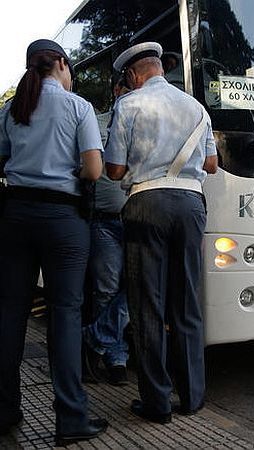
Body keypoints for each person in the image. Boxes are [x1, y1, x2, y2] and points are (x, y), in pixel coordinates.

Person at [0, 39, 108, 445]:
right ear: (61, 63)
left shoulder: (12, 109)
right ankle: (70, 418)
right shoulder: (78, 107)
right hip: (64, 220)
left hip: (15, 216)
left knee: (10, 312)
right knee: (65, 314)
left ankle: (5, 410)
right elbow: (94, 170)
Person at [105, 41, 218, 424]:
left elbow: (114, 170)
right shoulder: (197, 107)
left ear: (133, 74)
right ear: (160, 69)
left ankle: (157, 402)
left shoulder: (128, 105)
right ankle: (192, 397)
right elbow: (212, 163)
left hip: (147, 204)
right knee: (187, 301)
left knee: (147, 304)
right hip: (191, 204)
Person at [83, 77, 130, 386]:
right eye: (129, 90)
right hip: (104, 221)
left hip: (138, 218)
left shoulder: (144, 124)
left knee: (139, 285)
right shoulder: (95, 123)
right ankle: (116, 358)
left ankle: (94, 339)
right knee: (107, 290)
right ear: (117, 91)